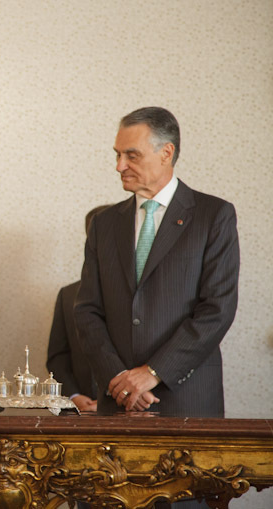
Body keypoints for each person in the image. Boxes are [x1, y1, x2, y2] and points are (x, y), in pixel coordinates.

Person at [75, 106, 240, 426]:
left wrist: (153, 373)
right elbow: (87, 311)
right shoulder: (103, 224)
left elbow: (217, 309)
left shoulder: (213, 216)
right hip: (117, 399)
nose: (119, 165)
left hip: (185, 396)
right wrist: (120, 379)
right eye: (117, 154)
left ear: (167, 153)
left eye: (131, 155)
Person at [46, 205, 109, 413]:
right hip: (79, 410)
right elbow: (58, 356)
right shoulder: (68, 295)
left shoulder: (144, 296)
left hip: (133, 409)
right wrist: (74, 396)